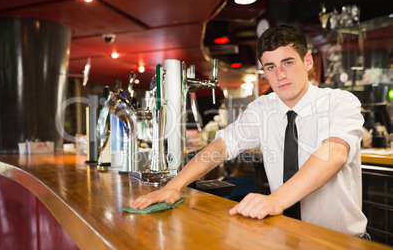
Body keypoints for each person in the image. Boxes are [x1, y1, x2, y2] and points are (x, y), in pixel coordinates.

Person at [130, 25, 368, 237]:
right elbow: (221, 146)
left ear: (307, 61)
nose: (280, 75)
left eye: (288, 62)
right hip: (287, 237)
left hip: (340, 243)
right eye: (270, 66)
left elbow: (334, 154)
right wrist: (174, 186)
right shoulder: (262, 108)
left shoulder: (339, 101)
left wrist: (275, 200)